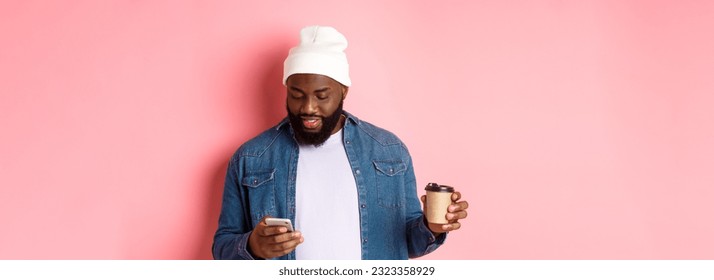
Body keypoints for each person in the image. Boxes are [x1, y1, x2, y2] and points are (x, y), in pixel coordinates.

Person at [212, 25, 469, 260]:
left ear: (343, 91)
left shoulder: (388, 150)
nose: (308, 107)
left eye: (322, 96)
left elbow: (407, 244)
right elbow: (223, 246)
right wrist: (253, 247)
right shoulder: (251, 157)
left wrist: (431, 227)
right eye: (296, 94)